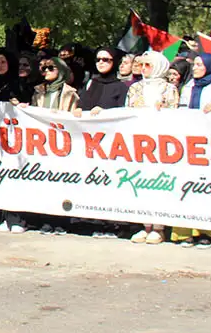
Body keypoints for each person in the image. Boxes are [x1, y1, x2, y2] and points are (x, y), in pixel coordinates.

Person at [125, 52, 179, 243]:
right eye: (142, 65)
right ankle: (144, 225)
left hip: (161, 144)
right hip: (138, 142)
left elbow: (176, 115)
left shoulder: (169, 89)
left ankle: (159, 227)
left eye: (148, 65)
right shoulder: (135, 88)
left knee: (159, 184)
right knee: (139, 183)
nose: (143, 68)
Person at [77, 48, 129, 113]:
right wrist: (78, 109)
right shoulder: (91, 83)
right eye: (98, 60)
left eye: (105, 60)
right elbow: (81, 104)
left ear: (115, 61)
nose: (101, 62)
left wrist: (104, 112)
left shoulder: (121, 87)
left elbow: (122, 113)